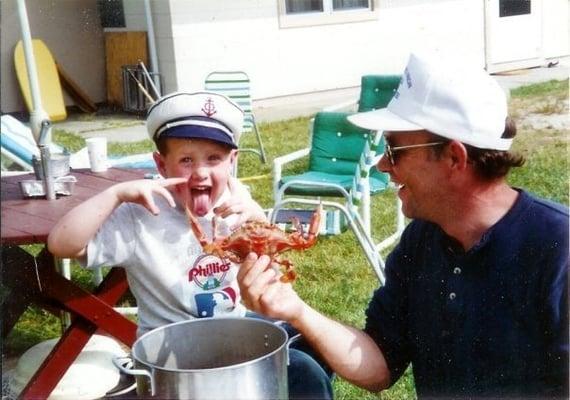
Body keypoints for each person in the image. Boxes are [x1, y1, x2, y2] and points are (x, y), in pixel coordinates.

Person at [237, 52, 569, 399]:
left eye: (394, 150)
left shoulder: (558, 249)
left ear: (454, 157)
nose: (382, 164)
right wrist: (296, 311)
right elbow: (380, 365)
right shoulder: (422, 240)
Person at [47, 91, 333, 399]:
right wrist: (115, 195)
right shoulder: (141, 214)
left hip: (235, 331)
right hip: (173, 356)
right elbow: (61, 244)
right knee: (302, 370)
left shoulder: (236, 202)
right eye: (186, 160)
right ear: (161, 164)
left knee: (318, 346)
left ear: (232, 161)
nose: (201, 172)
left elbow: (267, 272)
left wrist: (257, 219)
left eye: (214, 158)